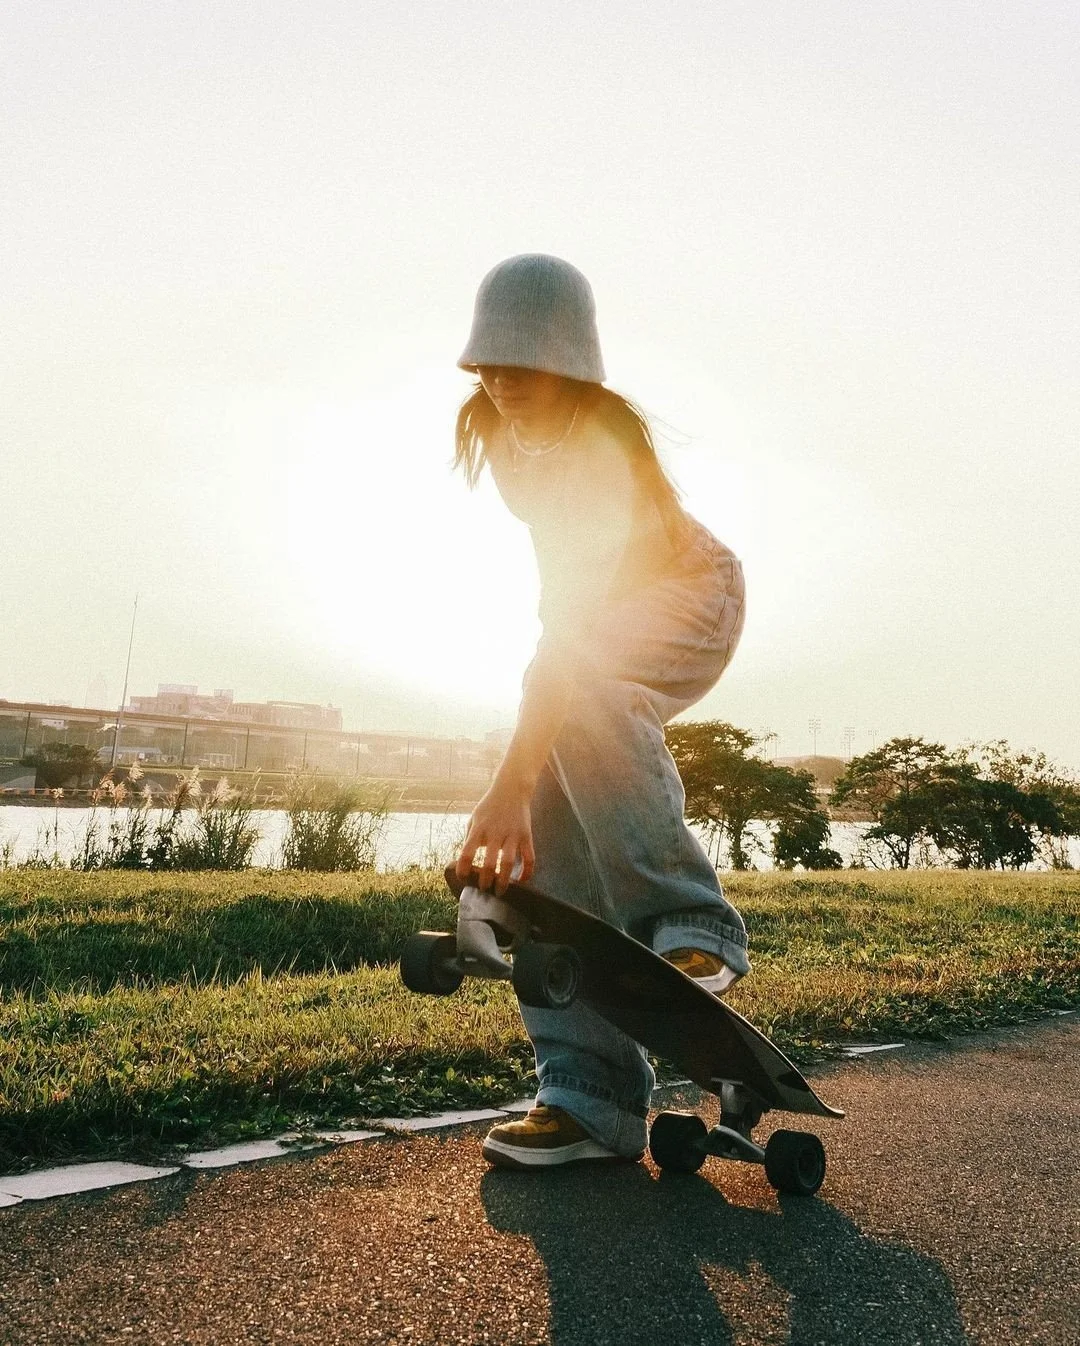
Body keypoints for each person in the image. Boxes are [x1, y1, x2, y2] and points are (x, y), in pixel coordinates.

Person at [452, 254, 749, 1169]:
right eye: (487, 365)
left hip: (693, 601)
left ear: (572, 362)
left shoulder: (604, 450)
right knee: (548, 833)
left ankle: (689, 919)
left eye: (523, 365)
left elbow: (577, 637)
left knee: (585, 695)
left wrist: (502, 786)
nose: (502, 384)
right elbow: (560, 611)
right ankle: (589, 1098)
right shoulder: (505, 447)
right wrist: (523, 794)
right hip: (589, 634)